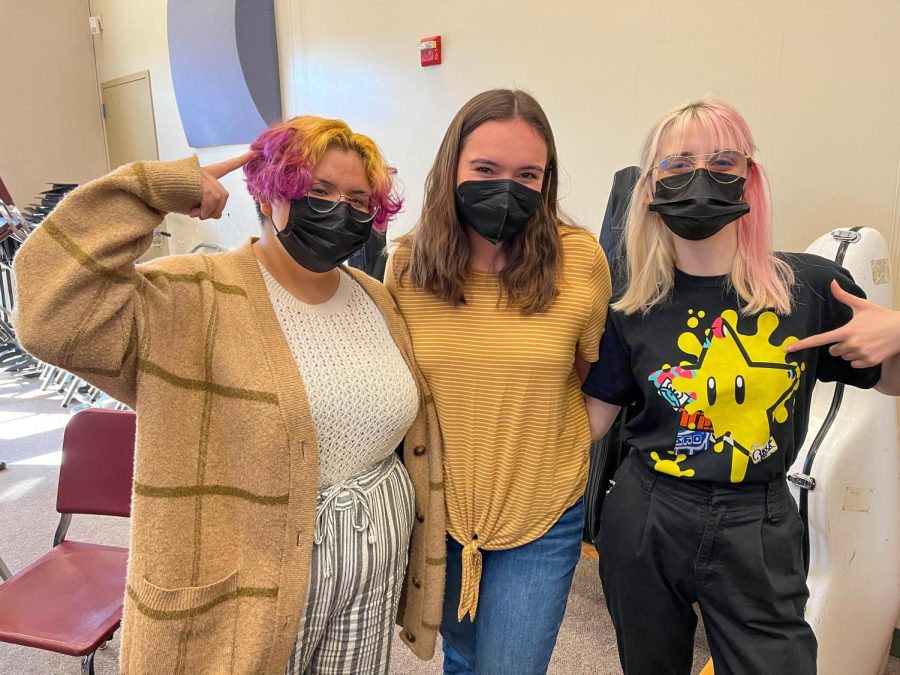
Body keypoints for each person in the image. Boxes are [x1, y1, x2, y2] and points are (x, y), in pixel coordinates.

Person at [12, 115, 447, 675]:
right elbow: (49, 312)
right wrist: (158, 191)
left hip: (373, 550)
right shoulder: (187, 297)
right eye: (318, 190)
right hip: (257, 564)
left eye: (357, 199)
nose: (339, 209)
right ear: (270, 194)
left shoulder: (374, 297)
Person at [581, 97, 900, 675]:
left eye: (723, 162)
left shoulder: (810, 288)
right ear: (650, 188)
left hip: (757, 517)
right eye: (677, 165)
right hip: (649, 510)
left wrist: (899, 336)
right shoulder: (631, 309)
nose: (700, 178)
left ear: (749, 180)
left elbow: (888, 382)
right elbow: (588, 423)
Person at [385, 89, 611, 674]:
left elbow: (583, 371)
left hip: (541, 508)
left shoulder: (580, 261)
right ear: (451, 167)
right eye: (485, 169)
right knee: (460, 656)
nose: (506, 187)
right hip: (439, 511)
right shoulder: (406, 265)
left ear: (546, 180)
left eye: (527, 174)